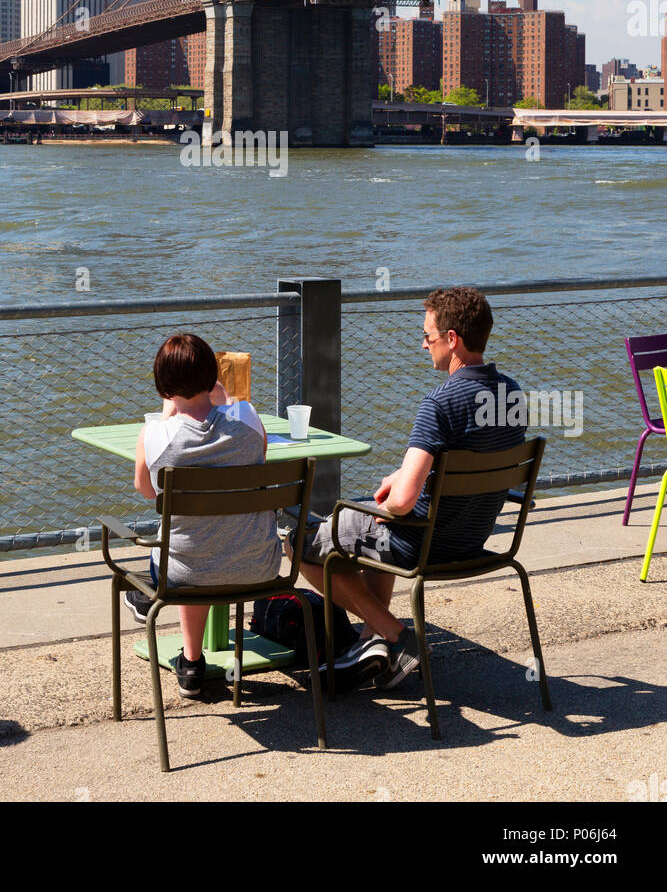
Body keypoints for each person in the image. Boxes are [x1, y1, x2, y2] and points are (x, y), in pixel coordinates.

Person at [289, 286, 527, 691]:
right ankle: (371, 644)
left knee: (302, 542)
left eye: (428, 336)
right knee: (365, 527)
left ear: (452, 340)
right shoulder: (511, 393)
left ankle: (398, 637)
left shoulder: (439, 403)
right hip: (472, 540)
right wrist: (402, 477)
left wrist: (395, 492)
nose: (423, 345)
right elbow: (469, 459)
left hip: (423, 545)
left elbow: (400, 504)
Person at [126, 332, 282, 699]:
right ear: (213, 376)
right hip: (259, 566)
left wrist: (169, 414)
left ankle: (189, 660)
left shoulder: (153, 435)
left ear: (163, 385)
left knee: (190, 550)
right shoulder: (246, 417)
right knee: (210, 542)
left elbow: (147, 490)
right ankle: (192, 660)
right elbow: (257, 450)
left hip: (184, 573)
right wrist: (222, 394)